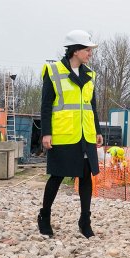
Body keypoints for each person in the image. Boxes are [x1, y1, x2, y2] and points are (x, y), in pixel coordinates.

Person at [38, 30, 103, 239]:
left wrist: (98, 131)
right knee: (57, 176)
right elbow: (46, 105)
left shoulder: (89, 75)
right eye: (87, 49)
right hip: (63, 134)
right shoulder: (53, 71)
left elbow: (91, 105)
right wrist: (46, 133)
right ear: (75, 50)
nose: (90, 53)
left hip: (86, 135)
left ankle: (85, 221)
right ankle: (44, 215)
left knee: (85, 177)